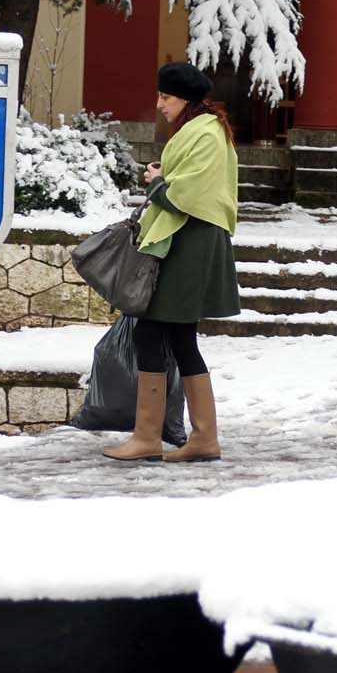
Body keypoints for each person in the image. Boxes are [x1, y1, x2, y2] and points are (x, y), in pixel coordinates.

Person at [105, 62, 241, 464]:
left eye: (165, 96)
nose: (159, 103)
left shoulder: (206, 133)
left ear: (185, 99)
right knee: (177, 339)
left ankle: (153, 437)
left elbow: (192, 193)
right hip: (185, 243)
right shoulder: (200, 130)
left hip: (190, 244)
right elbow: (191, 181)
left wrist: (158, 183)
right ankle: (199, 438)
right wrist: (165, 176)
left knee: (153, 333)